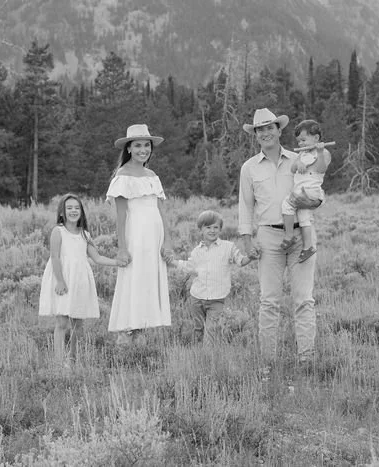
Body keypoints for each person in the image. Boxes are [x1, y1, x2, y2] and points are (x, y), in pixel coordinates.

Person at [238, 108, 320, 368]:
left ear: (279, 130)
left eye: (269, 127)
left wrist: (311, 202)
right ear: (255, 135)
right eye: (260, 130)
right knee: (269, 301)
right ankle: (268, 362)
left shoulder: (300, 158)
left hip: (301, 235)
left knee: (304, 299)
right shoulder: (249, 168)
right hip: (268, 238)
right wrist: (247, 239)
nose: (265, 133)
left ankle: (306, 359)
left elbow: (315, 189)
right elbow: (245, 206)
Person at [39, 193, 127, 364]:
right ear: (62, 212)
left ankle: (72, 360)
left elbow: (97, 257)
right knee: (62, 322)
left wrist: (117, 262)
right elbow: (55, 257)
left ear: (81, 212)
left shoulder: (84, 234)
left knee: (78, 324)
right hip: (63, 279)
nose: (73, 211)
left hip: (79, 281)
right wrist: (60, 281)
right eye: (69, 208)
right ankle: (58, 363)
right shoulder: (58, 231)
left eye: (76, 208)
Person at [107, 124, 173, 343]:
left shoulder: (152, 176)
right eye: (137, 146)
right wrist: (122, 248)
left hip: (154, 239)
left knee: (147, 283)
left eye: (146, 145)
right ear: (128, 148)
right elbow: (121, 215)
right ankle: (126, 336)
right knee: (133, 281)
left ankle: (141, 334)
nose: (143, 150)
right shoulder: (122, 176)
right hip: (135, 237)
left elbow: (161, 211)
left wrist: (167, 241)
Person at [170, 210, 255, 344]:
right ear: (201, 230)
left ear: (220, 229)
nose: (212, 231)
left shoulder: (228, 247)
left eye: (215, 227)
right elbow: (189, 267)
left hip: (216, 299)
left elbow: (240, 261)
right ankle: (197, 352)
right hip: (197, 298)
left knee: (210, 333)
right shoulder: (197, 251)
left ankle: (208, 353)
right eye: (208, 227)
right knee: (198, 329)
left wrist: (250, 257)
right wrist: (173, 262)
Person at [280, 119, 333, 264]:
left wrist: (320, 152)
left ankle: (289, 235)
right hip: (303, 190)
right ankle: (308, 247)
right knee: (304, 217)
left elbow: (321, 169)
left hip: (310, 190)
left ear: (316, 138)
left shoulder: (323, 152)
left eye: (303, 140)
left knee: (286, 205)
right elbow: (292, 169)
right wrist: (298, 163)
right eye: (299, 141)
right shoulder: (301, 154)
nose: (301, 144)